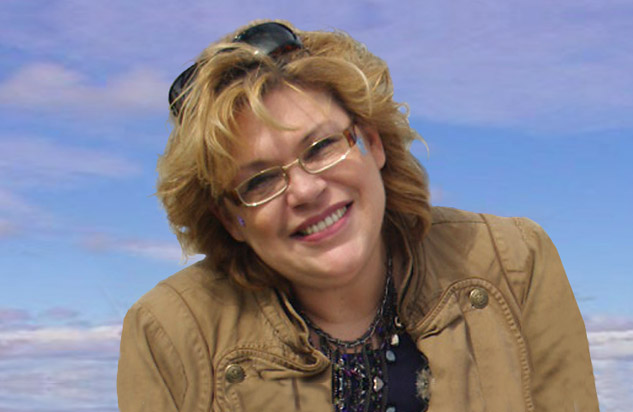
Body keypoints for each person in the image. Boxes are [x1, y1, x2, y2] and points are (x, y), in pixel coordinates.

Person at [117, 21, 599, 412]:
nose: (305, 190)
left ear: (372, 142)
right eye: (259, 181)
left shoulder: (514, 261)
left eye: (321, 147)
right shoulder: (167, 333)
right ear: (230, 219)